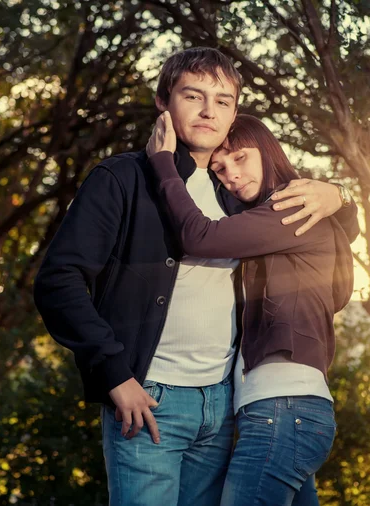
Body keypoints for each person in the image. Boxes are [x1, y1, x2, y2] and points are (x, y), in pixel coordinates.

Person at [33, 47, 358, 506]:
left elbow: (322, 255)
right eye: (194, 95)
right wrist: (114, 374)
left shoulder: (241, 196)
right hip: (148, 400)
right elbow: (58, 280)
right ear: (165, 102)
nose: (209, 111)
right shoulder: (122, 179)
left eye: (223, 101)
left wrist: (341, 197)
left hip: (226, 406)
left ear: (234, 114)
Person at [146, 112, 355, 505]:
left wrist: (162, 162)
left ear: (268, 150)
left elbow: (199, 235)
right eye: (221, 168)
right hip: (284, 412)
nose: (232, 175)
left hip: (283, 411)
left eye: (241, 158)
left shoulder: (289, 207)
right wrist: (342, 197)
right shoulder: (263, 218)